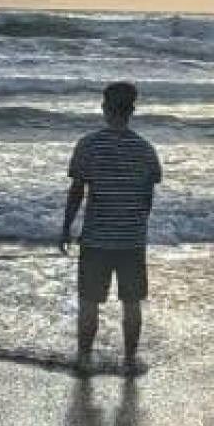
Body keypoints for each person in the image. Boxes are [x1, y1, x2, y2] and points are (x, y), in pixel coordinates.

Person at [59, 82, 163, 372]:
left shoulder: (88, 145)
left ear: (104, 108)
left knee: (89, 301)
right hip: (131, 239)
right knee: (132, 302)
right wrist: (137, 226)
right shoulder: (145, 150)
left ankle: (84, 357)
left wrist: (66, 227)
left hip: (96, 238)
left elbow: (77, 192)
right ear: (132, 110)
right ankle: (129, 359)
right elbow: (147, 198)